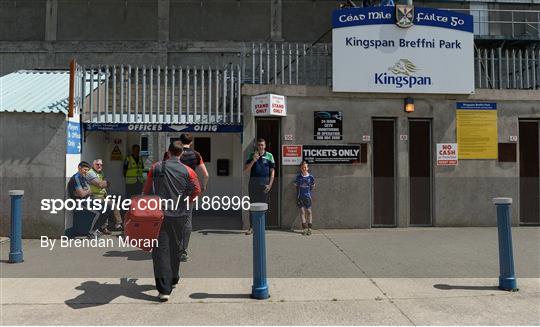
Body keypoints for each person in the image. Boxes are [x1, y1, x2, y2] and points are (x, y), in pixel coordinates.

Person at [143, 141, 201, 302]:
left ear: (168, 152)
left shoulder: (156, 167)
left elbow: (146, 189)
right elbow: (197, 189)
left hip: (158, 214)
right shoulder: (188, 171)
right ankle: (174, 279)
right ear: (181, 153)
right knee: (176, 247)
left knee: (160, 251)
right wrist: (187, 201)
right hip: (180, 215)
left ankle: (164, 290)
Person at [177, 133, 209, 261]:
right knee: (187, 219)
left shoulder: (173, 153)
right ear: (191, 142)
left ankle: (174, 246)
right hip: (190, 189)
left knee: (173, 217)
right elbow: (206, 174)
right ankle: (183, 249)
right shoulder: (196, 155)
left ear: (180, 141)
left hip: (175, 189)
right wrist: (203, 186)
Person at [67, 161, 107, 238]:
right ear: (79, 168)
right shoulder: (76, 178)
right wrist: (86, 191)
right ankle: (91, 232)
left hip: (86, 200)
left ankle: (95, 229)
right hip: (80, 202)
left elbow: (88, 190)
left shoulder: (83, 177)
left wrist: (86, 191)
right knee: (99, 211)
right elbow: (82, 194)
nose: (86, 172)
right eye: (85, 169)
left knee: (106, 209)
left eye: (87, 170)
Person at [243, 138, 275, 235]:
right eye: (259, 145)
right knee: (252, 206)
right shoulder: (252, 155)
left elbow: (272, 172)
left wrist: (270, 184)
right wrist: (253, 160)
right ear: (257, 146)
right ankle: (252, 227)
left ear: (265, 146)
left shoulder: (269, 156)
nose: (261, 146)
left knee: (263, 206)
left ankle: (261, 228)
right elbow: (246, 170)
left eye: (262, 145)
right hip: (253, 184)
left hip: (264, 185)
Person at [86, 159, 123, 233]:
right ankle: (117, 224)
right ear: (93, 165)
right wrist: (104, 183)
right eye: (97, 164)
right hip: (94, 196)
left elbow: (106, 183)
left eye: (101, 165)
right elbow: (100, 184)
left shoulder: (100, 173)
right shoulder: (91, 173)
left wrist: (104, 183)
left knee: (110, 206)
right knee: (111, 205)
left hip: (102, 196)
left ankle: (105, 227)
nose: (99, 166)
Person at [294, 161, 315, 235]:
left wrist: (308, 192)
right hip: (300, 197)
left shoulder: (311, 177)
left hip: (308, 197)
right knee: (302, 212)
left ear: (308, 168)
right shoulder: (298, 177)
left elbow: (313, 186)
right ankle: (304, 229)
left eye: (305, 167)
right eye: (303, 167)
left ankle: (310, 228)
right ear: (300, 168)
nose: (304, 168)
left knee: (309, 212)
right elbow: (295, 185)